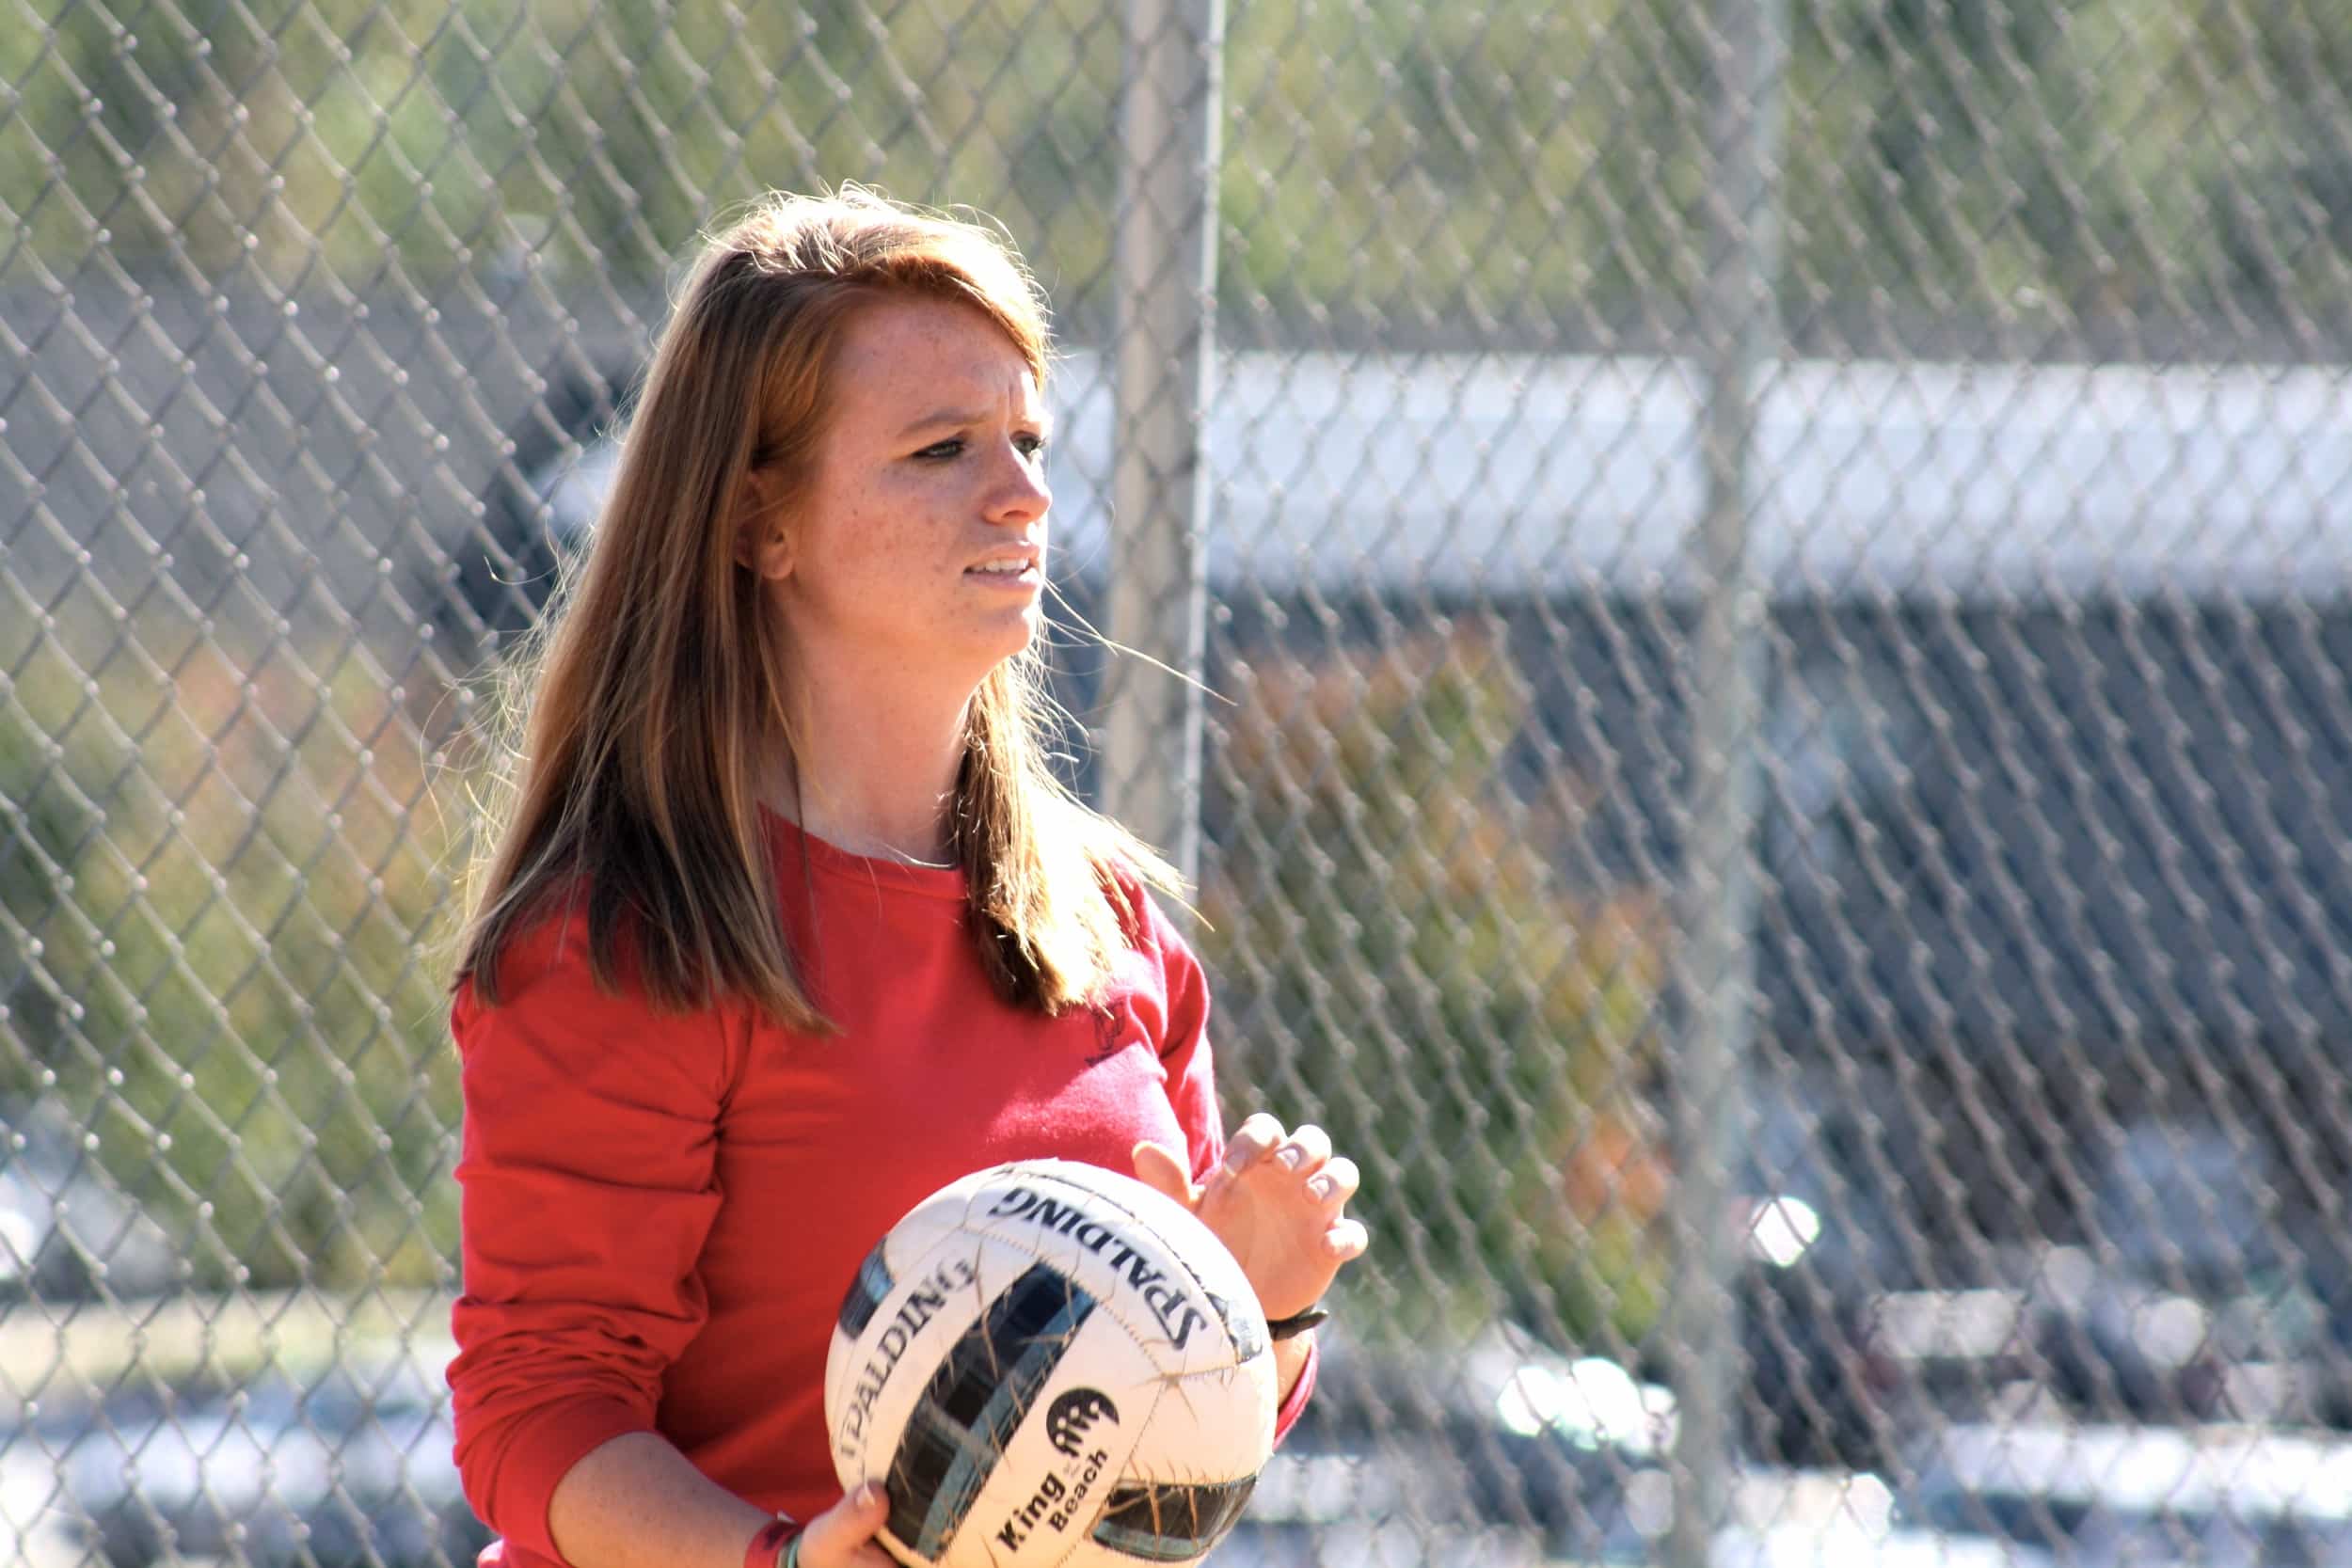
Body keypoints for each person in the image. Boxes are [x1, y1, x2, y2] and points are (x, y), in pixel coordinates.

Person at [444, 187, 1371, 1568]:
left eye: (1029, 439)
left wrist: (1262, 1299)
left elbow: (1154, 1446)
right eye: (942, 450)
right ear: (762, 524)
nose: (1024, 494)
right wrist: (776, 1561)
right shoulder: (634, 933)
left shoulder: (1109, 930)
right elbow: (537, 1414)